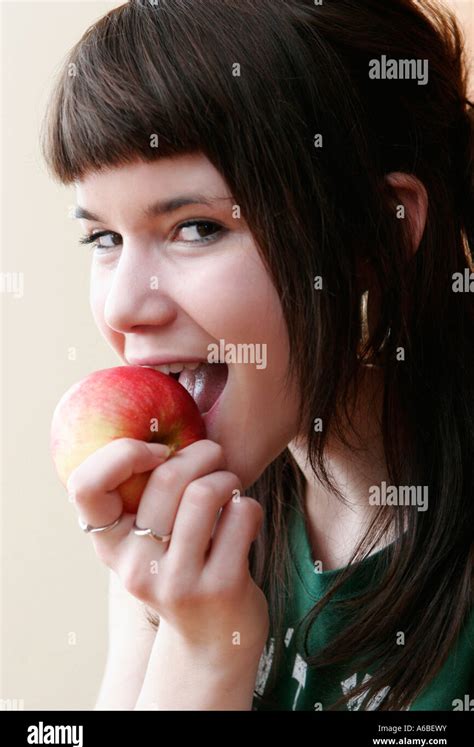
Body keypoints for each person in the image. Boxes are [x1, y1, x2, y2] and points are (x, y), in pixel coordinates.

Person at [40, 0, 474, 710]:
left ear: (379, 238)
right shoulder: (178, 529)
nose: (123, 307)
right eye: (104, 239)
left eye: (197, 228)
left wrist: (210, 660)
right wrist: (192, 643)